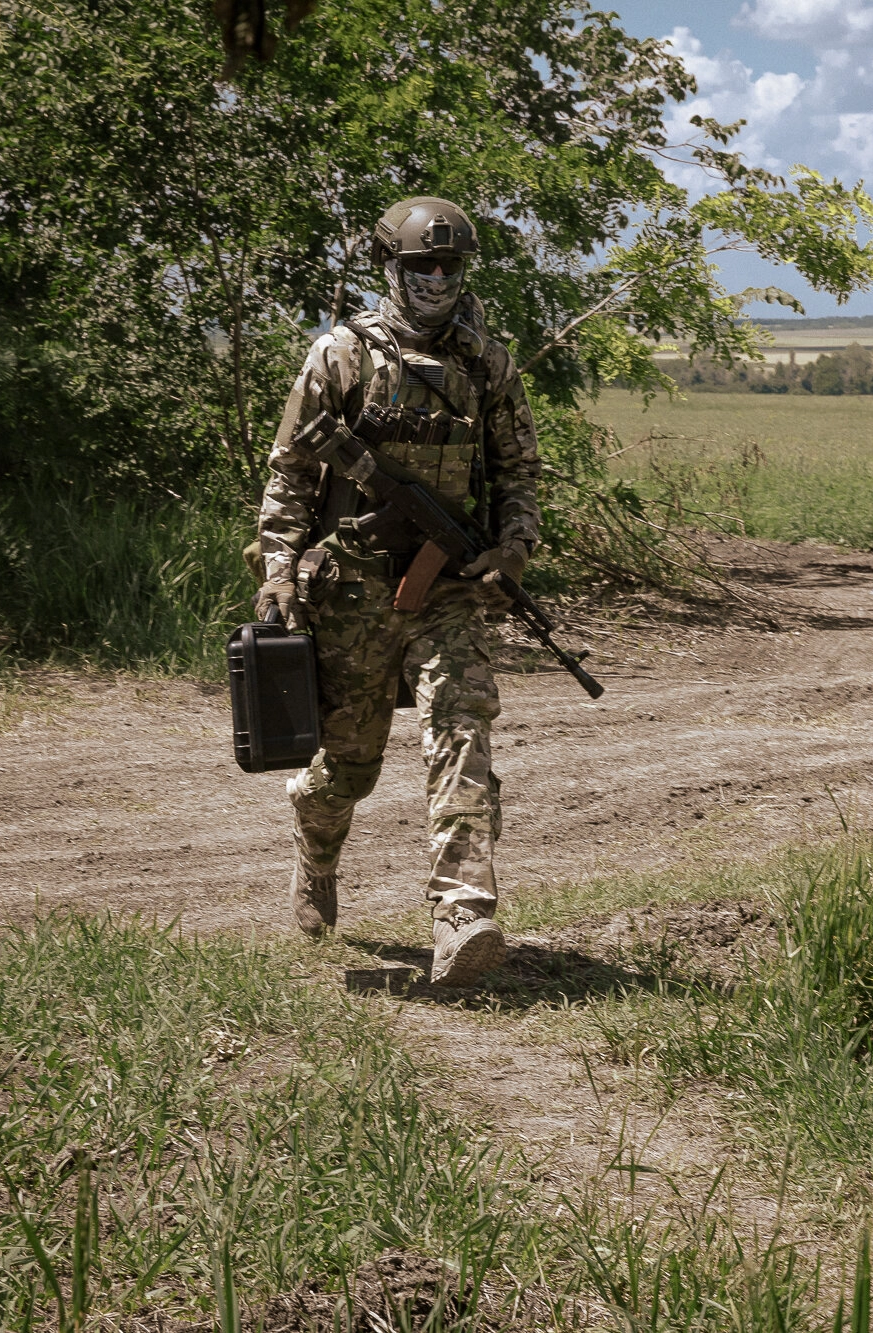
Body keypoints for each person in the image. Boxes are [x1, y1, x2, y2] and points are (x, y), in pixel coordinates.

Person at [253, 196, 541, 985]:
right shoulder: (341, 356)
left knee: (462, 727)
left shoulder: (488, 364)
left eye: (449, 266)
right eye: (422, 265)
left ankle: (463, 912)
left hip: (450, 590)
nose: (436, 279)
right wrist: (279, 569)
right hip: (351, 588)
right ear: (394, 266)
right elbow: (291, 475)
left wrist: (511, 549)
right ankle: (315, 852)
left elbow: (519, 470)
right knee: (349, 767)